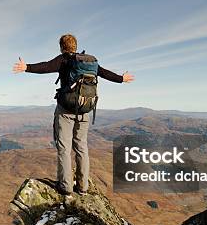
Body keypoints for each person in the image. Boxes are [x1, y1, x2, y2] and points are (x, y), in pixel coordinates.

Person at [13, 34, 134, 196]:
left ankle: (66, 187)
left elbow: (46, 67)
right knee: (81, 147)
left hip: (66, 110)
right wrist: (122, 78)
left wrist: (26, 67)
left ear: (62, 47)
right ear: (75, 46)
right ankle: (83, 187)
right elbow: (104, 73)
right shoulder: (88, 62)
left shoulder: (64, 59)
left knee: (64, 148)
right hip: (85, 110)